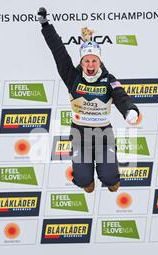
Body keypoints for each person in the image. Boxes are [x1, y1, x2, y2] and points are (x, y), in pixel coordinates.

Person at [38, 7, 140, 193]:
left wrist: (130, 110)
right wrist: (46, 25)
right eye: (87, 61)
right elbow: (58, 51)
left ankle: (111, 179)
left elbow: (121, 97)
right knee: (85, 181)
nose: (90, 65)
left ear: (100, 62)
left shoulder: (108, 79)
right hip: (80, 135)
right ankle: (86, 182)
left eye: (94, 61)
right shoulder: (72, 76)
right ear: (81, 62)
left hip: (103, 135)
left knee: (111, 180)